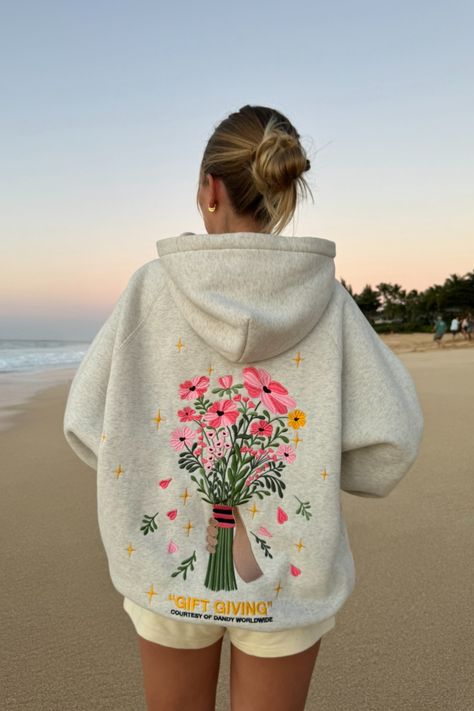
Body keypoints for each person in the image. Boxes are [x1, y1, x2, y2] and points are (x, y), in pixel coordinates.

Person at [63, 105, 424, 711]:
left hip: (163, 567)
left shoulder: (152, 289)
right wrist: (320, 465)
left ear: (210, 189)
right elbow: (393, 443)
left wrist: (147, 467)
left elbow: (84, 422)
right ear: (283, 190)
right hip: (292, 578)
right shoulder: (327, 303)